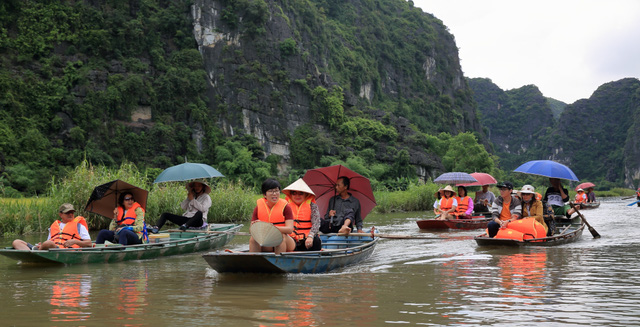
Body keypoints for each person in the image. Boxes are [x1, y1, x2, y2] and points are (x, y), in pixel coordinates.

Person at [12, 203, 92, 250]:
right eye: (68, 213)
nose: (71, 214)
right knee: (16, 242)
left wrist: (75, 241)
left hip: (64, 251)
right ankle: (35, 252)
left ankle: (36, 252)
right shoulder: (54, 226)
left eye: (72, 212)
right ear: (61, 214)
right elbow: (49, 241)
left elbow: (89, 244)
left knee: (48, 244)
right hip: (50, 247)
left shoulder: (80, 226)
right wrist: (41, 245)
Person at [250, 178, 294, 254]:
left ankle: (279, 261)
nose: (274, 194)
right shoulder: (258, 207)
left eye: (276, 191)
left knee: (281, 237)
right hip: (267, 241)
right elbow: (251, 230)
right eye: (271, 191)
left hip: (285, 241)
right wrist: (257, 226)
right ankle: (255, 261)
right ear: (264, 194)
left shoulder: (286, 207)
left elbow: (289, 229)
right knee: (253, 238)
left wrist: (272, 228)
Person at [283, 178, 322, 251]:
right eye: (294, 193)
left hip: (307, 239)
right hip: (291, 239)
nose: (297, 196)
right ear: (291, 195)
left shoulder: (312, 206)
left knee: (316, 240)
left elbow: (316, 223)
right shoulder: (285, 206)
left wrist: (310, 236)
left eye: (301, 193)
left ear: (306, 195)